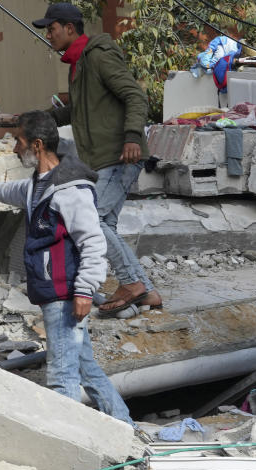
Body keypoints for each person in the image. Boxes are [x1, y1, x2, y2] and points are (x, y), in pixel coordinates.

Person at [0, 111, 133, 425]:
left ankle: (66, 447)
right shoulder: (42, 183)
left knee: (61, 377)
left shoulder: (71, 191)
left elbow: (93, 242)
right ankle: (125, 427)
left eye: (19, 141)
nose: (16, 148)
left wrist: (85, 290)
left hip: (65, 295)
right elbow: (18, 193)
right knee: (85, 368)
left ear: (37, 145)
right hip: (55, 292)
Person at [32, 2, 162, 317]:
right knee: (107, 225)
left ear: (68, 27)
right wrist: (37, 119)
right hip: (103, 159)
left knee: (94, 220)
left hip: (120, 154)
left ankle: (132, 283)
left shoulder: (99, 55)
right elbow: (77, 110)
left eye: (51, 28)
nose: (48, 35)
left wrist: (132, 136)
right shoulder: (78, 65)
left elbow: (134, 95)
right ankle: (146, 292)